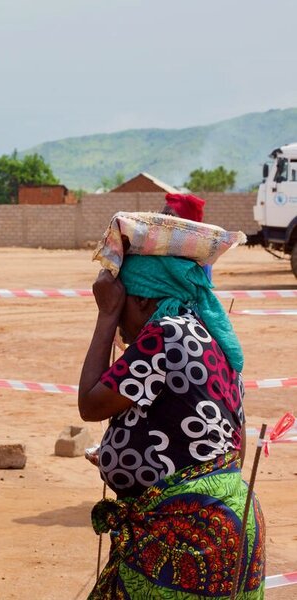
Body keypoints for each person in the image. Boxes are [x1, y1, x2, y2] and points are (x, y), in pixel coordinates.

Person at [78, 254, 265, 598]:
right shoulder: (210, 335)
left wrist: (104, 315)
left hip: (186, 538)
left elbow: (90, 403)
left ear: (143, 299)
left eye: (121, 307)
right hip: (228, 523)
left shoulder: (164, 334)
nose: (119, 321)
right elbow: (218, 439)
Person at [162, 192, 213, 280]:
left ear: (188, 223)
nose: (163, 220)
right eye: (163, 214)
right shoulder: (154, 247)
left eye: (171, 216)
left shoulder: (200, 255)